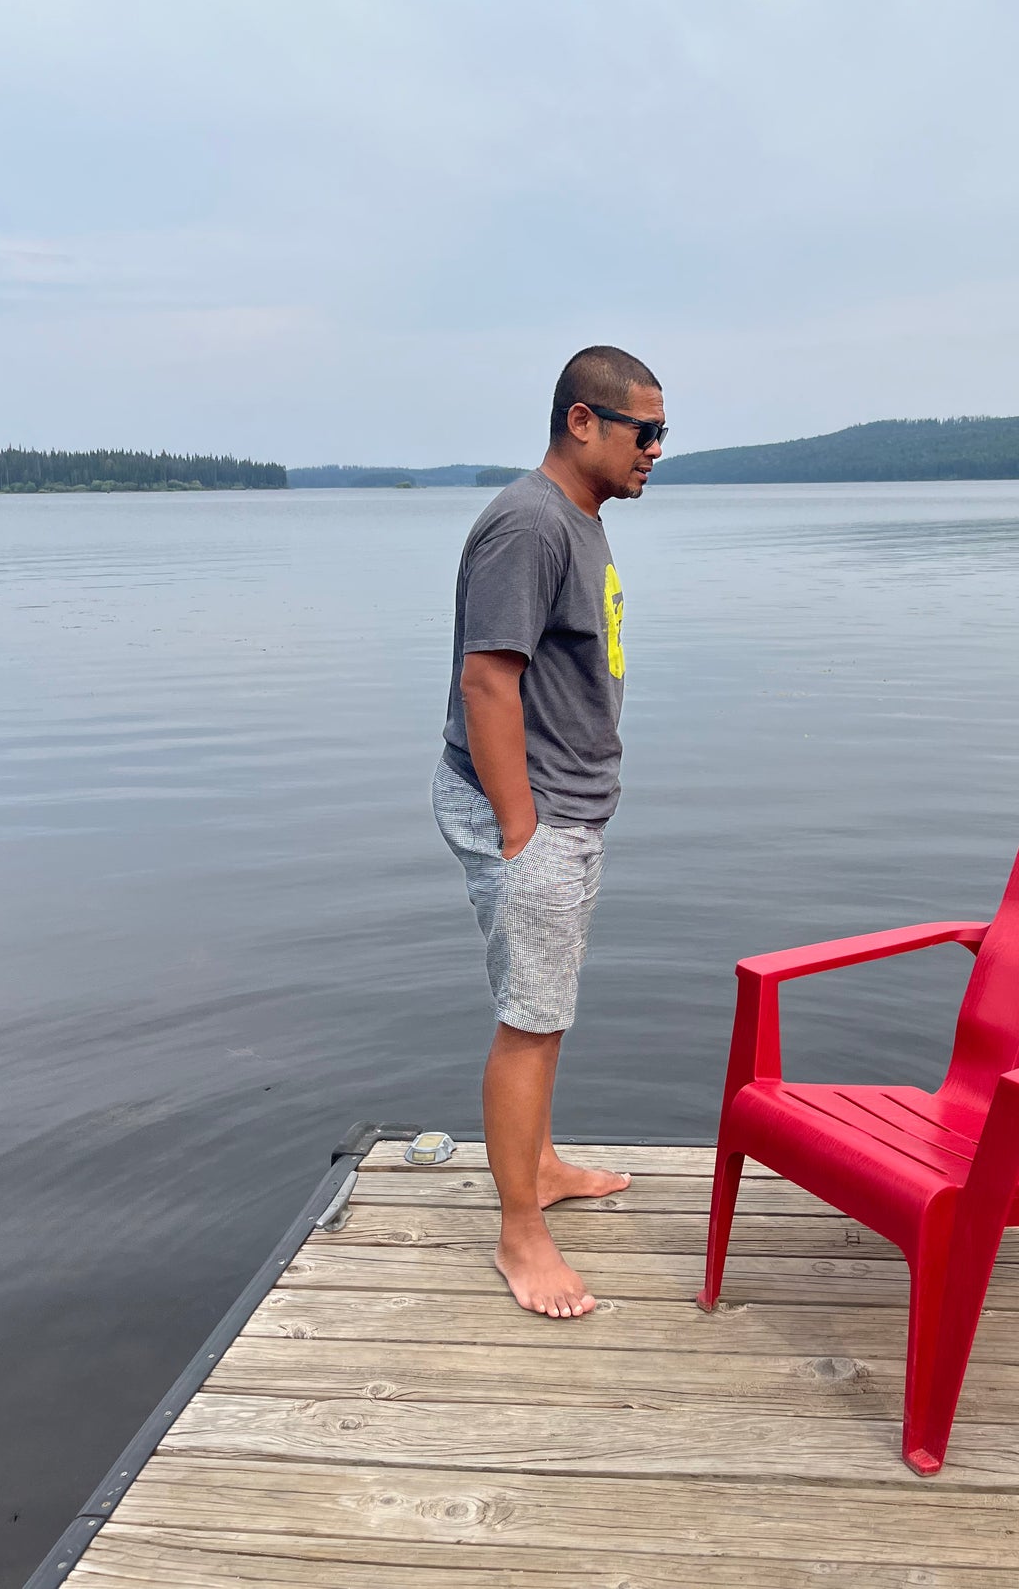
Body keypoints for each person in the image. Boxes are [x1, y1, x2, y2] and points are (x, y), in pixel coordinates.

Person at [431, 345, 666, 1318]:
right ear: (583, 422)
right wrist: (521, 828)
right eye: (643, 432)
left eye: (661, 433)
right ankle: (518, 1233)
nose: (655, 450)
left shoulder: (578, 520)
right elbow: (487, 678)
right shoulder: (527, 526)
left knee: (547, 1003)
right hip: (529, 812)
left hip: (564, 807)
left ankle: (543, 1165)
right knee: (527, 1021)